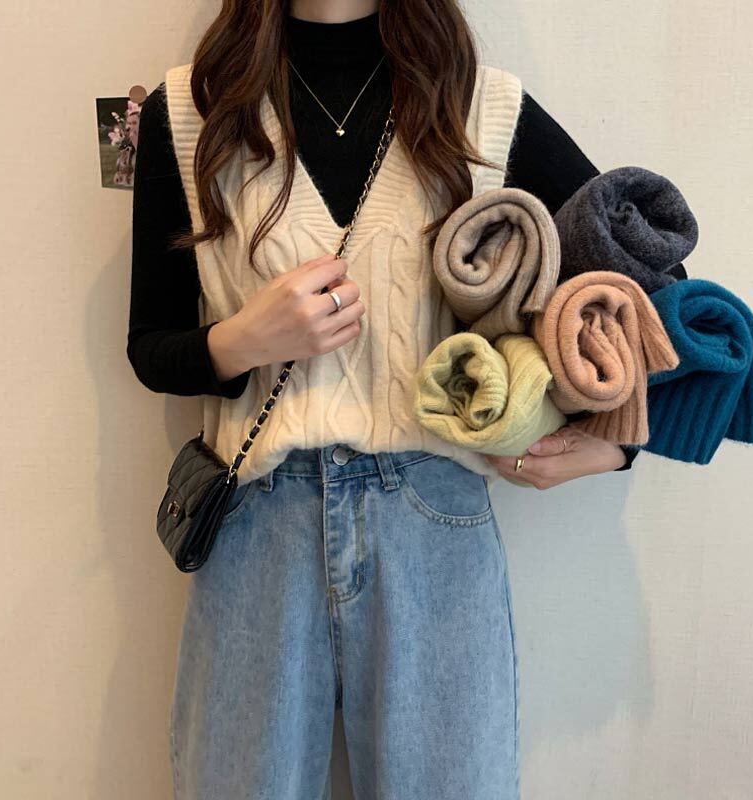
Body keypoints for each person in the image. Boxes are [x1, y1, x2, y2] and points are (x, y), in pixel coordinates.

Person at [128, 2, 685, 797]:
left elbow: (659, 296)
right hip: (257, 529)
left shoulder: (479, 108)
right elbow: (149, 345)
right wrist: (244, 340)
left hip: (433, 523)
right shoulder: (192, 113)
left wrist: (617, 440)